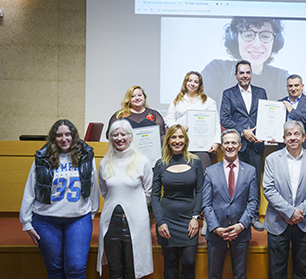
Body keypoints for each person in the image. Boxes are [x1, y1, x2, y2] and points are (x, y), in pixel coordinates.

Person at [19, 119, 99, 279]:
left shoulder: (86, 156)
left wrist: (90, 213)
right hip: (46, 221)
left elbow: (93, 187)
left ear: (74, 136)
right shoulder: (43, 157)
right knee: (55, 270)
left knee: (76, 268)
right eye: (59, 135)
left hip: (78, 220)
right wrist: (26, 222)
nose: (64, 139)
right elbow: (30, 189)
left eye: (68, 134)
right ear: (53, 137)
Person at [263, 120, 306, 279]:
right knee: (276, 270)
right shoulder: (272, 159)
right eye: (289, 134)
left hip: (304, 221)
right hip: (277, 221)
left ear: (303, 137)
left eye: (297, 134)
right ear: (283, 138)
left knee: (304, 269)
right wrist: (289, 212)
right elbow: (268, 189)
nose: (293, 137)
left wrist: (298, 212)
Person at [97, 120, 153, 278]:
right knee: (115, 271)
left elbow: (148, 192)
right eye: (115, 135)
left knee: (133, 270)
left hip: (135, 223)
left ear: (130, 137)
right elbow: (104, 191)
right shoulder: (104, 163)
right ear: (110, 138)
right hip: (111, 224)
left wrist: (135, 206)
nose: (119, 138)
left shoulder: (143, 161)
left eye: (123, 134)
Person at [202, 129, 259, 279]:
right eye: (227, 143)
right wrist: (215, 227)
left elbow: (253, 201)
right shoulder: (210, 171)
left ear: (240, 146)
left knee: (240, 275)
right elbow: (206, 204)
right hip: (216, 232)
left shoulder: (250, 171)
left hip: (241, 231)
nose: (230, 146)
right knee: (214, 275)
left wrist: (241, 225)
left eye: (234, 142)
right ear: (221, 146)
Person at [151, 124, 203, 279]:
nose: (177, 140)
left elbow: (200, 191)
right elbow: (154, 195)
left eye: (181, 137)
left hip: (189, 221)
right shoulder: (160, 164)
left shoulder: (195, 162)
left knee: (189, 263)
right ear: (168, 141)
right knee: (170, 264)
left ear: (186, 140)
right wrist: (160, 222)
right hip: (167, 220)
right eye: (173, 137)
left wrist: (196, 217)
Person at [220, 60, 266, 231]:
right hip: (236, 146)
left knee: (254, 181)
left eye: (248, 72)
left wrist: (265, 132)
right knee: (235, 181)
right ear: (236, 75)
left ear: (251, 74)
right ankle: (236, 215)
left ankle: (253, 216)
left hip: (256, 145)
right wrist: (243, 131)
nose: (245, 75)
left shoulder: (261, 92)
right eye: (241, 73)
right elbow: (225, 118)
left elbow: (266, 116)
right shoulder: (228, 93)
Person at [202, 17, 289, 106]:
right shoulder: (216, 71)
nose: (257, 45)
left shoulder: (282, 79)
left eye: (266, 36)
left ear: (275, 41)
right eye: (248, 35)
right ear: (235, 38)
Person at [166, 71, 220, 170]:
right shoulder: (176, 100)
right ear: (185, 83)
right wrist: (179, 127)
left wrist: (216, 142)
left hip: (202, 146)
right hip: (180, 144)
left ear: (200, 85)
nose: (192, 84)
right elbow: (169, 119)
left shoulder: (209, 102)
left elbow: (215, 124)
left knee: (203, 175)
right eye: (190, 81)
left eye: (196, 82)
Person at [278, 74, 306, 159]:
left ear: (302, 86)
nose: (293, 88)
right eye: (290, 86)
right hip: (284, 148)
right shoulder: (280, 103)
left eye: (296, 85)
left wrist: (292, 111)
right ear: (287, 87)